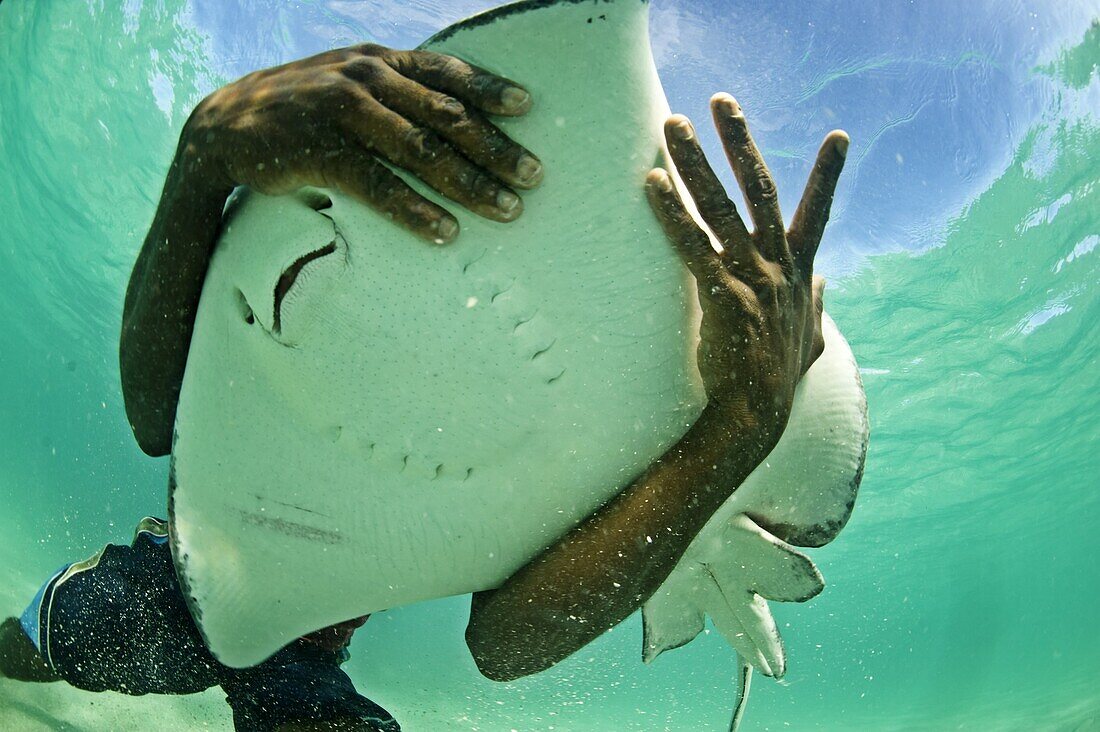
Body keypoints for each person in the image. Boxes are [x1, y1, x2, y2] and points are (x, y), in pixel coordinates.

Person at [0, 38, 846, 731]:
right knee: (65, 637)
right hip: (199, 577)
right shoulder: (245, 317)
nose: (278, 278)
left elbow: (504, 642)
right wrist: (204, 149)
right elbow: (157, 420)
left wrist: (743, 421)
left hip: (305, 641)